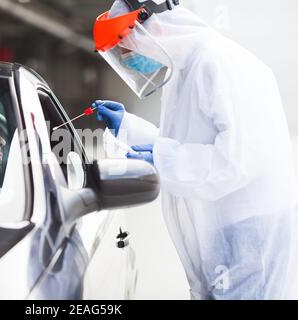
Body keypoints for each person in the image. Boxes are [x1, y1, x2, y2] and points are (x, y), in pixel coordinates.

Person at [93, 0, 298, 299]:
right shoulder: (185, 70)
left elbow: (237, 159)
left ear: (154, 27)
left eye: (126, 47)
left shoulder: (219, 62)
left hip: (251, 239)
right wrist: (127, 126)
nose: (126, 58)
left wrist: (162, 161)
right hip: (226, 234)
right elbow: (189, 147)